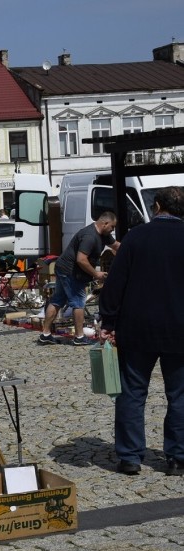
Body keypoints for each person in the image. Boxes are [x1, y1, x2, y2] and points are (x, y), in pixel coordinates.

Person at [99, 186, 184, 477]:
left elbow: (115, 284)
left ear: (158, 205)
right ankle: (177, 458)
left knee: (132, 393)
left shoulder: (136, 237)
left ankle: (130, 458)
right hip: (179, 328)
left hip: (137, 328)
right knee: (181, 396)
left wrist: (108, 322)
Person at [39, 212, 120, 346]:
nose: (113, 230)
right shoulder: (90, 236)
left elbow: (116, 245)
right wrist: (96, 274)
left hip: (64, 268)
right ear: (104, 223)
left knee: (58, 299)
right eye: (112, 227)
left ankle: (45, 334)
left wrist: (133, 249)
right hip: (70, 271)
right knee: (78, 302)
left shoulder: (103, 235)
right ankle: (79, 337)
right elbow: (81, 260)